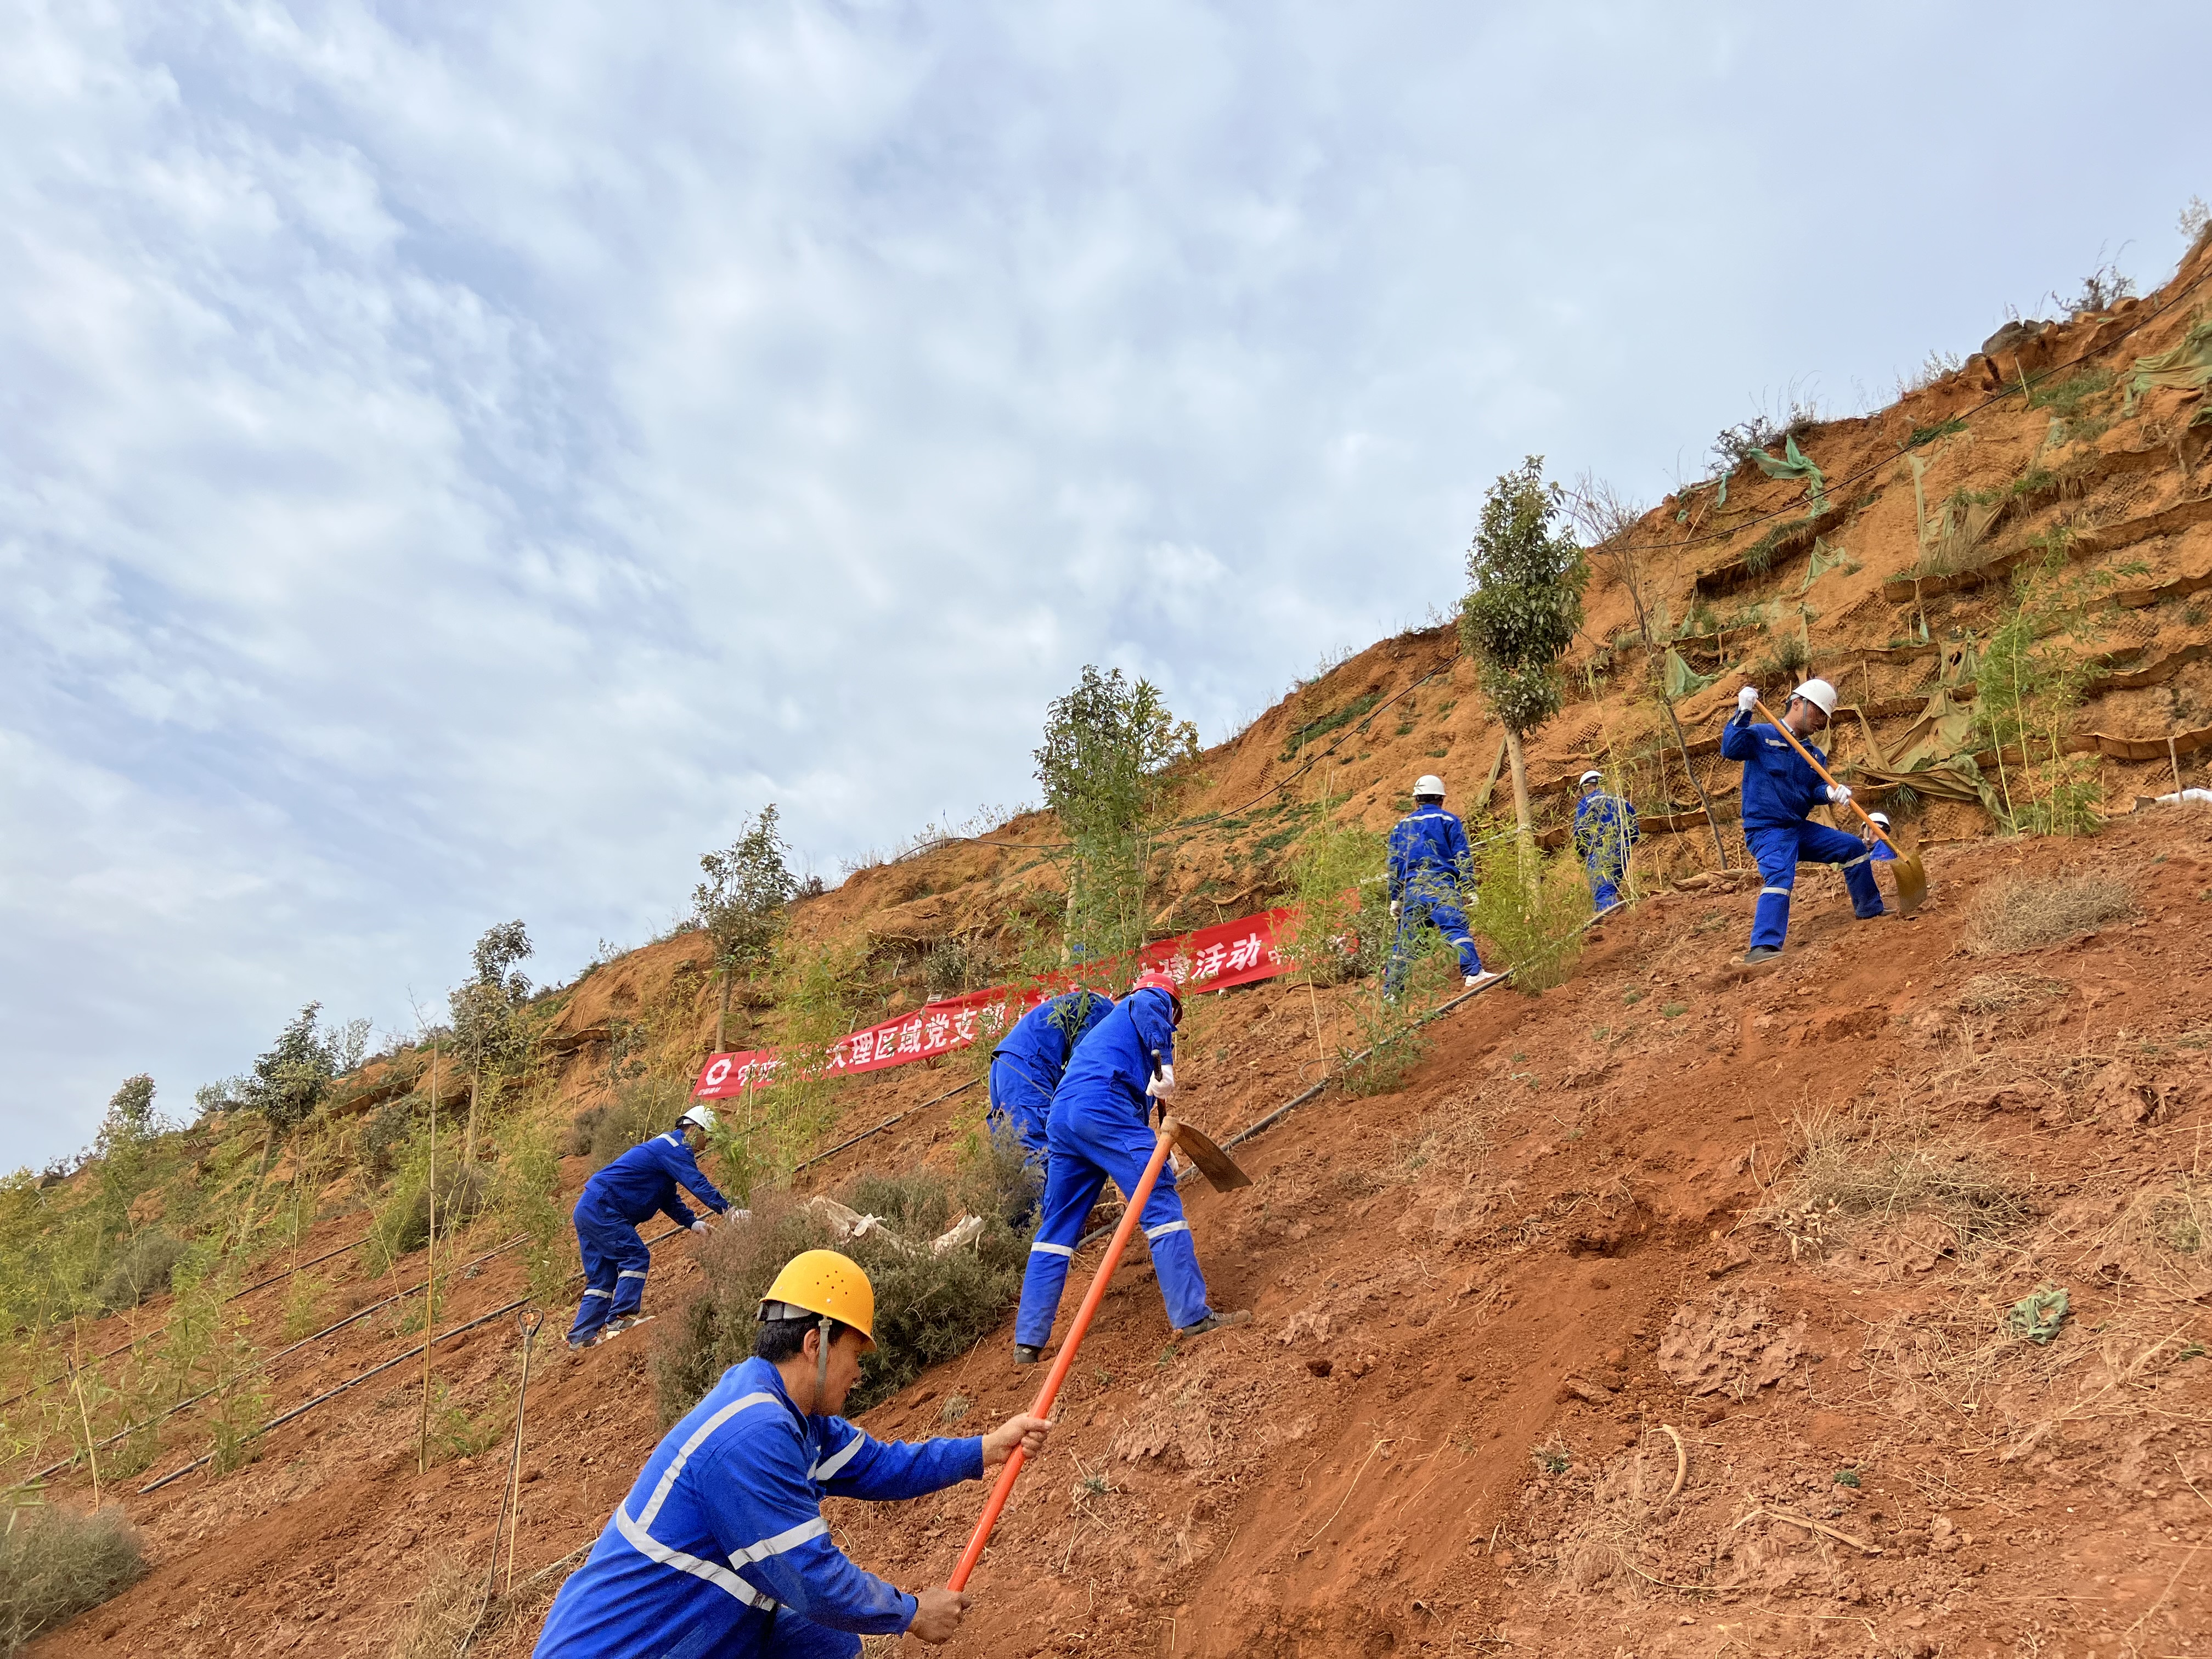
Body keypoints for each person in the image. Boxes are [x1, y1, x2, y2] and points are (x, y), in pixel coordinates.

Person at [534, 1250, 1053, 1657]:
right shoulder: (751, 1436)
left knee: (820, 1642)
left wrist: (986, 1449)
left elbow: (882, 1467)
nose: (858, 1371)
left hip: (693, 1625)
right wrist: (913, 1613)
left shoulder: (790, 1415)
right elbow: (811, 1578)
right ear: (815, 1345)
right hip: (634, 1645)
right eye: (855, 1353)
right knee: (815, 1619)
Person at [1012, 970, 1246, 1364]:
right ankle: (1193, 1317)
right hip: (1102, 1107)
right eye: (1175, 1015)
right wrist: (1166, 1063)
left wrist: (1153, 1147)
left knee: (1057, 1228)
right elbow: (1151, 1005)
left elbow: (1129, 1111)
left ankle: (1028, 1343)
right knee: (1160, 1201)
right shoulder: (1148, 1001)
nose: (1172, 1022)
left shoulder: (1108, 1039)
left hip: (1065, 1117)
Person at [1721, 679, 1884, 965]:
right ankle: (1763, 947)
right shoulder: (1761, 736)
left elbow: (1813, 791)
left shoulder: (1813, 756)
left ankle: (1870, 908)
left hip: (1797, 828)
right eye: (1819, 713)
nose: (1823, 721)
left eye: (1826, 717)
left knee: (1853, 848)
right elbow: (1730, 748)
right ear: (1797, 703)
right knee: (1780, 875)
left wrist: (1831, 792)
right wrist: (1743, 711)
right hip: (1767, 830)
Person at [566, 1103, 734, 1351]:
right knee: (635, 1256)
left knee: (603, 1277)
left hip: (589, 1208)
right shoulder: (676, 1148)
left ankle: (582, 1336)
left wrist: (693, 1223)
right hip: (603, 1208)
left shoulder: (663, 1150)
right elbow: (697, 1183)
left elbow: (668, 1199)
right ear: (696, 1130)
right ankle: (620, 1319)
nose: (706, 1146)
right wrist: (729, 1211)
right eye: (707, 1138)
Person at [986, 987, 1116, 1197]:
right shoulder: (1104, 1010)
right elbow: (1082, 1063)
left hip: (1004, 1063)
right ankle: (1049, 1216)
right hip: (1028, 1065)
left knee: (1010, 1145)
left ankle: (1017, 1221)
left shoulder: (1085, 1002)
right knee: (1037, 1143)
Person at [1386, 774, 1501, 996]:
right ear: (1441, 799)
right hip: (1441, 885)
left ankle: (1392, 992)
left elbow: (1395, 864)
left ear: (1416, 801)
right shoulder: (1449, 821)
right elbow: (1461, 857)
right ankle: (1473, 973)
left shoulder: (1401, 827)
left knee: (1406, 941)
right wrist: (1469, 888)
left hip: (1413, 890)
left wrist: (1395, 897)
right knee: (1455, 928)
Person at [1570, 769, 1640, 913]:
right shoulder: (1621, 800)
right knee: (1609, 888)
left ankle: (1610, 920)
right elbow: (1634, 831)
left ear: (1588, 787)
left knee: (1602, 889)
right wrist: (1623, 845)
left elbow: (1581, 832)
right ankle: (1610, 923)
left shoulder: (1587, 802)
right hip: (1621, 851)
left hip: (1600, 851)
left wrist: (1582, 853)